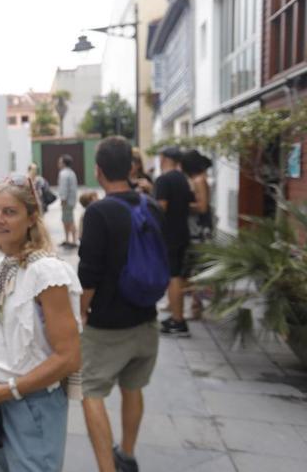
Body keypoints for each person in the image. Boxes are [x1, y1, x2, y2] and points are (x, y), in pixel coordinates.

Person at [0, 175, 82, 472]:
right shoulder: (2, 268)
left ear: (31, 218)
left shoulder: (47, 273)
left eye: (9, 212)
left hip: (32, 404)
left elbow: (69, 357)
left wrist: (5, 392)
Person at [78, 136, 164, 472]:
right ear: (130, 167)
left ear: (98, 170)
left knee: (90, 390)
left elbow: (89, 274)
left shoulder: (99, 212)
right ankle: (126, 455)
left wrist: (82, 310)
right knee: (133, 387)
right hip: (146, 318)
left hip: (108, 324)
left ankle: (107, 468)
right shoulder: (150, 204)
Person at [154, 146, 195, 336]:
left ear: (163, 159)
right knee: (176, 274)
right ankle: (176, 316)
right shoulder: (182, 179)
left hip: (169, 235)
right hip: (182, 232)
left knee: (173, 277)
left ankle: (178, 320)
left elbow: (161, 207)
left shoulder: (163, 179)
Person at [181, 149, 213, 320]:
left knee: (196, 268)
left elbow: (202, 207)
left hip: (199, 229)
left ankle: (196, 306)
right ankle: (195, 305)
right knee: (195, 268)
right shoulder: (197, 179)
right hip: (197, 228)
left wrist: (182, 205)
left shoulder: (199, 180)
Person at [57, 155, 79, 247]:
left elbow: (64, 187)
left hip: (66, 200)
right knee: (66, 220)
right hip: (71, 200)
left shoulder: (63, 174)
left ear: (64, 163)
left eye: (60, 162)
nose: (58, 164)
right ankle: (68, 239)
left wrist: (63, 199)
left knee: (69, 220)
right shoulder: (72, 173)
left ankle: (73, 241)